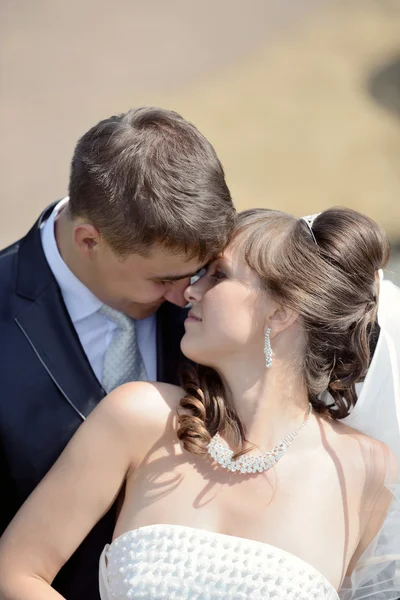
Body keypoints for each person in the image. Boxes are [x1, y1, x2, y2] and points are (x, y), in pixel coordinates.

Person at [0, 207, 399, 600]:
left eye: (219, 275)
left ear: (281, 311)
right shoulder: (141, 417)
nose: (190, 290)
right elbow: (15, 571)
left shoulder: (368, 472)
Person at [0, 107, 235, 600]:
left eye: (196, 273)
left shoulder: (219, 295)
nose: (185, 296)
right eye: (164, 279)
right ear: (89, 239)